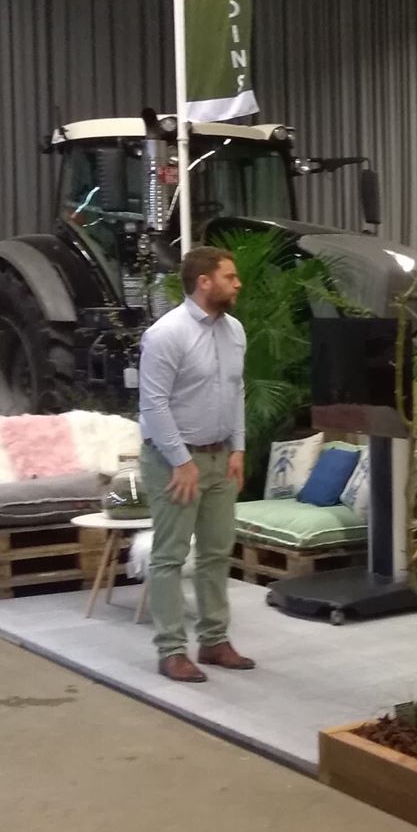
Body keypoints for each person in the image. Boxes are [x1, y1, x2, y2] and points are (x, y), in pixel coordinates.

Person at [138, 248, 254, 683]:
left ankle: (214, 641)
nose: (237, 283)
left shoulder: (235, 331)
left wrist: (238, 448)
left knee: (217, 552)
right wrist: (181, 461)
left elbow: (235, 390)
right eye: (230, 276)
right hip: (174, 461)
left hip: (221, 457)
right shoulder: (167, 334)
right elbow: (153, 404)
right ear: (204, 282)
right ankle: (171, 650)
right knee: (170, 555)